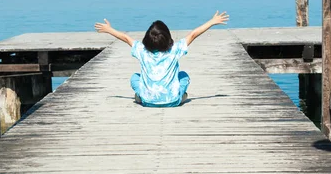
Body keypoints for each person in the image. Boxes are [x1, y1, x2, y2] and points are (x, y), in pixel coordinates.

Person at [94, 11, 230, 107]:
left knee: (134, 77)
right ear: (168, 37)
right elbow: (193, 34)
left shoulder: (141, 50)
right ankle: (181, 97)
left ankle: (140, 97)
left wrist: (109, 29)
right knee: (184, 76)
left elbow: (125, 38)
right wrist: (212, 22)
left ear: (146, 39)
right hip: (173, 100)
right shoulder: (174, 50)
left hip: (148, 101)